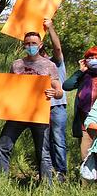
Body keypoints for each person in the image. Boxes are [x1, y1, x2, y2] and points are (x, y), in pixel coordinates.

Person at [0, 31, 63, 184]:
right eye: (27, 43)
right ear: (23, 45)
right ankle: (0, 183)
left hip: (39, 115)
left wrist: (54, 92)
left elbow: (60, 91)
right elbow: (7, 88)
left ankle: (47, 188)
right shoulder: (16, 64)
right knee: (4, 146)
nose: (30, 46)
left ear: (40, 45)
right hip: (17, 115)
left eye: (33, 43)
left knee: (43, 153)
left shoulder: (49, 65)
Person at [40, 18, 68, 182]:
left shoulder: (55, 61)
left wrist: (50, 27)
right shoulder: (34, 65)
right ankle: (47, 172)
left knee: (58, 140)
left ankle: (61, 172)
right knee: (44, 141)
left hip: (57, 107)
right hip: (40, 108)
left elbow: (57, 47)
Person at [63, 46, 97, 160]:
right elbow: (67, 86)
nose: (93, 59)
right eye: (90, 57)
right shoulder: (84, 76)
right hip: (85, 126)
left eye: (95, 57)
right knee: (86, 160)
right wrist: (80, 71)